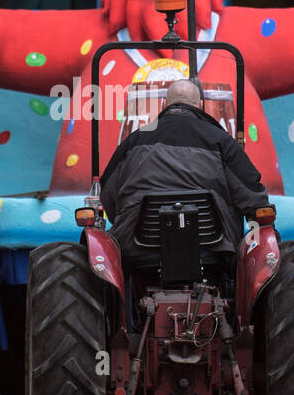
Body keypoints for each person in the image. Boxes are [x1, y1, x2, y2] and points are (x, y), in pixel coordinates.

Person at [100, 78, 267, 262]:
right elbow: (253, 197)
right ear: (201, 106)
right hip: (214, 249)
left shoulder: (133, 141)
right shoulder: (222, 141)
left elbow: (107, 196)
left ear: (164, 104)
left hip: (136, 248)